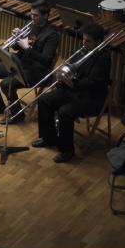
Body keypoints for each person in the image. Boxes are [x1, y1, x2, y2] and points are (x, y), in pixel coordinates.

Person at [32, 23, 111, 163]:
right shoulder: (83, 50)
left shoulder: (103, 58)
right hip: (74, 91)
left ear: (99, 42)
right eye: (84, 39)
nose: (84, 43)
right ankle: (48, 138)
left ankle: (67, 150)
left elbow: (92, 83)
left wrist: (72, 83)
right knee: (44, 100)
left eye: (88, 41)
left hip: (91, 98)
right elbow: (72, 69)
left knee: (64, 112)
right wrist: (62, 75)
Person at [0, 0, 60, 125]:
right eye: (31, 14)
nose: (32, 18)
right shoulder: (30, 24)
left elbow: (45, 60)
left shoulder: (52, 35)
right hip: (20, 63)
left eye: (36, 15)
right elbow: (18, 48)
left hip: (37, 71)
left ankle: (18, 115)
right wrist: (17, 38)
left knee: (6, 84)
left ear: (45, 16)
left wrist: (27, 48)